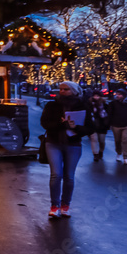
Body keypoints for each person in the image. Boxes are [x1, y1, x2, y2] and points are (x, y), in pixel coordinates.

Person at [40, 81, 88, 218]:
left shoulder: (82, 106)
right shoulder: (52, 105)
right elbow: (44, 123)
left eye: (66, 89)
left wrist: (76, 127)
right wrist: (61, 124)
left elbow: (90, 127)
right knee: (56, 174)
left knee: (69, 176)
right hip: (53, 142)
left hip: (73, 144)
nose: (62, 91)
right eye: (60, 89)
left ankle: (65, 205)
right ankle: (54, 206)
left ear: (74, 91)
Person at [106, 88, 127, 165]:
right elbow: (109, 114)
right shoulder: (113, 103)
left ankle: (126, 157)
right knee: (117, 140)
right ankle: (119, 152)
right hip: (116, 125)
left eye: (119, 94)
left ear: (124, 95)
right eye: (117, 94)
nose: (117, 96)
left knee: (125, 140)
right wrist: (109, 123)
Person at [86, 90, 110, 161]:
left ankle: (101, 151)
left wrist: (107, 123)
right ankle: (95, 154)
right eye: (94, 96)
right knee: (94, 139)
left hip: (102, 125)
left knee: (101, 140)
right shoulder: (89, 104)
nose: (96, 97)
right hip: (93, 124)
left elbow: (108, 114)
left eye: (97, 96)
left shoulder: (105, 104)